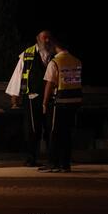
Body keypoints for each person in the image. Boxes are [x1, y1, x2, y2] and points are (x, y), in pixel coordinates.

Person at [5, 30, 55, 167]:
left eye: (49, 38)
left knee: (51, 128)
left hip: (51, 98)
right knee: (33, 129)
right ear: (38, 39)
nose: (47, 40)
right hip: (32, 97)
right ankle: (31, 158)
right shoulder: (27, 54)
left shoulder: (54, 54)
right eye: (44, 38)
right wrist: (14, 97)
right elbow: (18, 75)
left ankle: (53, 159)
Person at [39, 39, 82, 173]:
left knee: (54, 133)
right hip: (75, 101)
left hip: (60, 101)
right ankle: (65, 164)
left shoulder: (55, 62)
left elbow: (50, 84)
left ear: (55, 47)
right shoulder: (76, 61)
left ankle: (53, 163)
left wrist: (45, 103)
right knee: (67, 133)